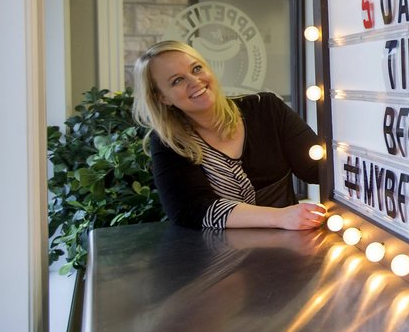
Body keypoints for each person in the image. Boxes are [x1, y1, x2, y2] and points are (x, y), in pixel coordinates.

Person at [132, 40, 326, 230]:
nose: (194, 81)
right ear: (163, 97)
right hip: (222, 257)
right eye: (177, 80)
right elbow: (189, 209)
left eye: (197, 68)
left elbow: (316, 169)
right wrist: (280, 217)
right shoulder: (169, 142)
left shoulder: (266, 109)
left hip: (292, 248)